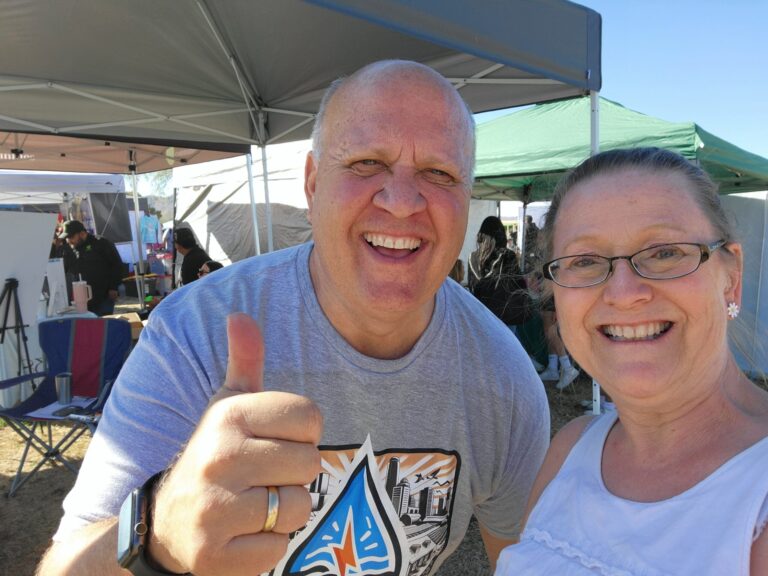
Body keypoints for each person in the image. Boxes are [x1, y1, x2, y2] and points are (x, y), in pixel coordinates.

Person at [39, 60, 549, 576]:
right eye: (367, 163)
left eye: (438, 173)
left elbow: (524, 561)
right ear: (311, 184)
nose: (400, 203)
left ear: (465, 200)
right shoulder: (196, 334)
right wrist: (158, 531)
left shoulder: (502, 382)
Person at [495, 147, 768, 575]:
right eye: (584, 261)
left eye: (664, 252)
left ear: (730, 278)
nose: (624, 293)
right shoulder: (571, 447)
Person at [468, 215, 532, 330]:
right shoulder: (508, 255)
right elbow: (519, 285)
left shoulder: (472, 257)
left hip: (481, 316)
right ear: (501, 234)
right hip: (505, 316)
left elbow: (472, 287)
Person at [58, 219, 123, 316]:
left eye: (71, 237)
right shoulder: (67, 249)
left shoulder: (101, 243)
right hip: (80, 299)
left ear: (82, 233)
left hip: (103, 296)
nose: (68, 241)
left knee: (102, 326)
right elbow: (64, 269)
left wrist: (113, 287)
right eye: (66, 238)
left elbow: (117, 265)